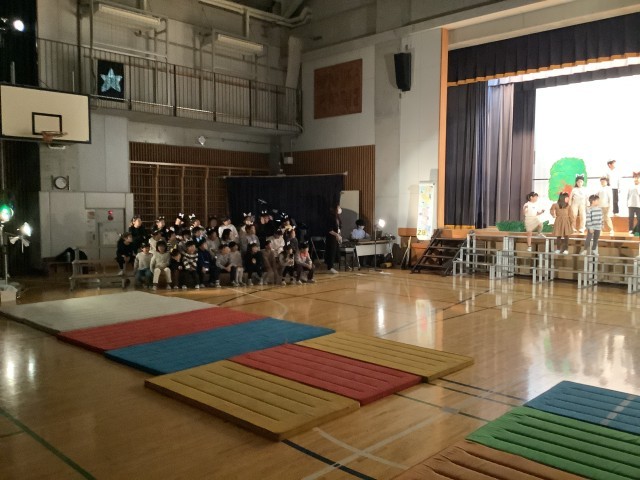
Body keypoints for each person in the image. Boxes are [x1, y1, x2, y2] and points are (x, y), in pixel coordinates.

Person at [325, 204, 342, 273]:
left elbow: (339, 227)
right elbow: (329, 229)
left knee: (335, 251)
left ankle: (333, 265)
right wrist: (336, 235)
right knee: (331, 251)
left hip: (336, 236)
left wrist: (339, 235)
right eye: (339, 208)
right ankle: (330, 267)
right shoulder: (330, 217)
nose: (340, 209)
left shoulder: (337, 217)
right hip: (331, 237)